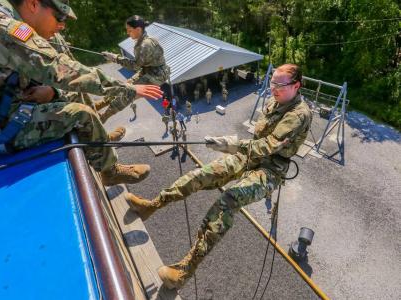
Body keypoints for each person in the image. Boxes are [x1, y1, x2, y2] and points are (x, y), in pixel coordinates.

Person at [125, 64, 312, 289]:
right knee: (201, 175)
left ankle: (184, 270)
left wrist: (230, 144)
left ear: (296, 86)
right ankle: (152, 206)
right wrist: (229, 144)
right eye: (272, 83)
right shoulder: (275, 101)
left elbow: (268, 146)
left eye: (280, 85)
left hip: (270, 169)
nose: (274, 89)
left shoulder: (298, 114)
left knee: (227, 201)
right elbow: (256, 139)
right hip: (249, 157)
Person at [0, 0, 162, 187]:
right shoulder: (1, 28)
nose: (62, 24)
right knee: (81, 114)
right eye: (58, 16)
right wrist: (128, 87)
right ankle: (110, 170)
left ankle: (100, 138)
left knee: (59, 73)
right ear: (33, 4)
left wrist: (52, 90)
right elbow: (60, 69)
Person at [100, 15, 170, 122]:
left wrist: (115, 58)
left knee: (127, 94)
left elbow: (135, 66)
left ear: (138, 29)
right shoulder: (143, 40)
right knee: (126, 85)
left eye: (129, 30)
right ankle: (102, 104)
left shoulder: (145, 45)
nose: (128, 33)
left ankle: (103, 117)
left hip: (156, 75)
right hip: (149, 70)